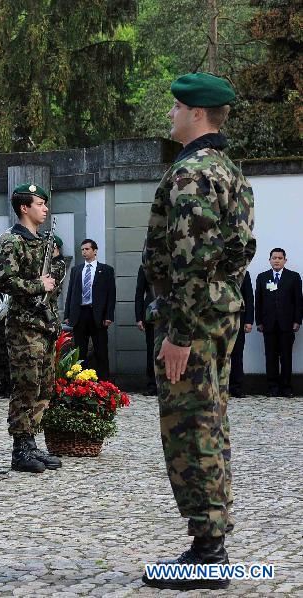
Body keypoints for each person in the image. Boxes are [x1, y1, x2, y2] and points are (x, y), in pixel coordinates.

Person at [140, 73, 255, 590]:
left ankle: (209, 552)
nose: (171, 115)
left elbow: (192, 261)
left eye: (176, 107)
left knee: (191, 429)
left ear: (197, 114)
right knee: (210, 422)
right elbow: (237, 253)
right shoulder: (230, 171)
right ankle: (211, 541)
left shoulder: (193, 174)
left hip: (194, 319)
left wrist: (179, 334)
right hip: (219, 313)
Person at [0, 183, 66, 474]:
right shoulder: (11, 241)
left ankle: (32, 441)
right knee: (26, 385)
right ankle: (20, 447)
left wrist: (54, 273)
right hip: (24, 327)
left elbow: (53, 281)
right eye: (39, 204)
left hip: (45, 324)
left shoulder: (42, 241)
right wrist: (38, 285)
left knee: (44, 386)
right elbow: (0, 279)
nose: (45, 209)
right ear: (24, 207)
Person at [64, 239, 116, 380]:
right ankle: (80, 382)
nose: (84, 252)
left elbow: (111, 295)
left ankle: (104, 383)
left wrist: (109, 316)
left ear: (95, 251)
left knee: (101, 351)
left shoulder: (106, 270)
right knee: (79, 352)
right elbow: (71, 293)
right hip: (80, 314)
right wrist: (67, 314)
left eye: (87, 249)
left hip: (97, 315)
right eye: (82, 249)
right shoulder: (76, 270)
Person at [255, 248, 302, 397]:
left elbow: (298, 301)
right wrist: (259, 321)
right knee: (271, 357)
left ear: (285, 260)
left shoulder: (293, 277)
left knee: (286, 356)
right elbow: (259, 300)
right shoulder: (262, 277)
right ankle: (272, 388)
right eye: (274, 258)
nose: (276, 260)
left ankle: (286, 388)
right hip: (268, 324)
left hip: (287, 324)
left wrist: (297, 320)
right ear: (269, 260)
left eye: (280, 258)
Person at [229, 272, 254, 398]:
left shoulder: (244, 274)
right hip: (217, 321)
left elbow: (249, 297)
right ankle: (218, 387)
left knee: (237, 354)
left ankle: (236, 387)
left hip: (238, 320)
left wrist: (249, 320)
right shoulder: (214, 270)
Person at [134, 265, 157, 395]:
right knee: (152, 350)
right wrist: (139, 317)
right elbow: (139, 293)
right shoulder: (144, 267)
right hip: (151, 314)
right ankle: (152, 385)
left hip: (173, 314)